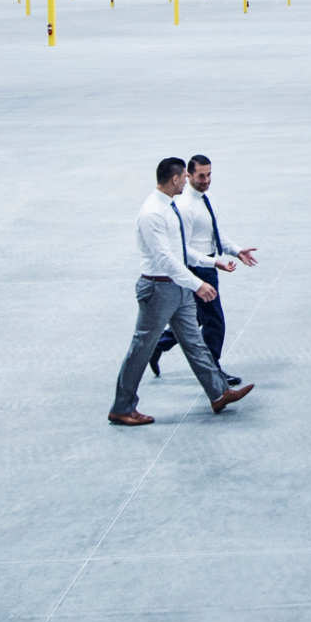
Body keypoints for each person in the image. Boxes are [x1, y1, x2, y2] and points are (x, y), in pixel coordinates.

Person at [108, 157, 253, 426]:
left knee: (195, 343)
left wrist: (213, 262)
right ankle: (122, 407)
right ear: (175, 179)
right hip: (158, 289)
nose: (187, 181)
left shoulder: (169, 207)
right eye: (185, 178)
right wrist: (197, 284)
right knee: (141, 348)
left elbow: (182, 252)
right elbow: (165, 259)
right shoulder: (153, 213)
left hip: (177, 286)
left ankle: (219, 393)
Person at [151, 153, 257, 384]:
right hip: (197, 268)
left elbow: (214, 234)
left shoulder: (207, 198)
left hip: (208, 264)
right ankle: (214, 371)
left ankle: (157, 346)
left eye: (209, 175)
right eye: (201, 175)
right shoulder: (185, 207)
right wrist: (213, 263)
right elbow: (183, 249)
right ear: (188, 175)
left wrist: (237, 251)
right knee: (214, 321)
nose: (206, 180)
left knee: (196, 317)